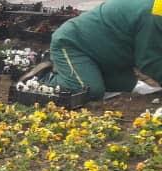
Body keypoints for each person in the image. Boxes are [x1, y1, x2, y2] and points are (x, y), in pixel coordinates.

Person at [29, 0, 162, 100]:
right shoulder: (154, 15)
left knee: (128, 86)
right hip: (74, 45)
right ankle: (44, 78)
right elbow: (149, 60)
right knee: (87, 91)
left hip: (106, 55)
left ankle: (80, 72)